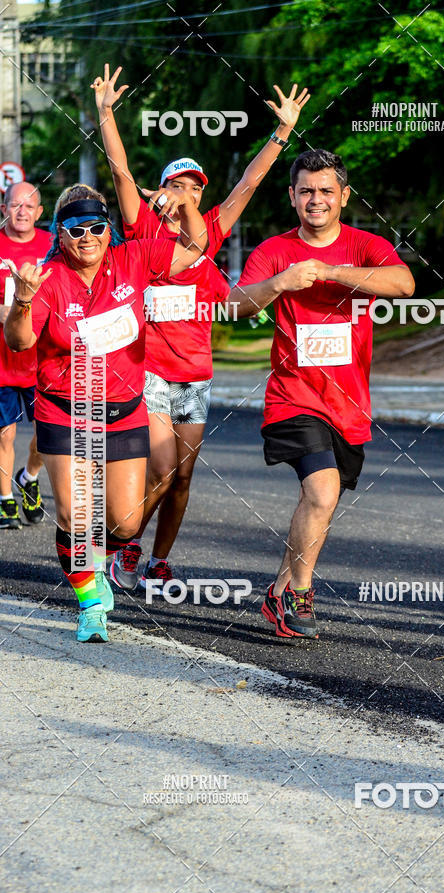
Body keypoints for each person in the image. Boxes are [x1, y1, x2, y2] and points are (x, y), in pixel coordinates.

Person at [91, 64, 310, 593]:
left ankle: (157, 559)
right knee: (162, 467)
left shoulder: (210, 232)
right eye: (177, 184)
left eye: (194, 187)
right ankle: (121, 544)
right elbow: (120, 170)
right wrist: (106, 113)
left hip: (196, 373)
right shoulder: (142, 228)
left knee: (182, 477)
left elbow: (250, 182)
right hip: (148, 370)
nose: (186, 192)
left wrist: (283, 130)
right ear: (162, 189)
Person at [4, 182, 208, 642]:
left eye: (96, 227)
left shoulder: (133, 258)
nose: (88, 237)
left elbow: (195, 247)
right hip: (65, 411)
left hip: (123, 411)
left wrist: (186, 204)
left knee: (125, 523)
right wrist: (23, 299)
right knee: (75, 517)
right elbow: (19, 342)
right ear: (60, 233)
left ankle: (96, 562)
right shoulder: (48, 277)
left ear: (108, 229)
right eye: (76, 229)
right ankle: (90, 604)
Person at [228, 149, 415, 640]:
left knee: (321, 504)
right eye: (306, 190)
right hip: (294, 397)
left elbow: (404, 284)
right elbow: (234, 305)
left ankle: (279, 590)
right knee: (322, 491)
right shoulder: (273, 250)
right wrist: (280, 282)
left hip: (348, 405)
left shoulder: (366, 245)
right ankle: (301, 595)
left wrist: (332, 272)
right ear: (292, 196)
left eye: (326, 190)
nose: (317, 199)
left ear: (344, 196)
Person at [0, 182, 51, 528]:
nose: (22, 211)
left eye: (29, 206)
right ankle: (5, 499)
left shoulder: (52, 245)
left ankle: (28, 477)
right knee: (4, 433)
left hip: (41, 361)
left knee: (48, 433)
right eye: (15, 205)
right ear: (4, 209)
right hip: (2, 362)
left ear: (39, 212)